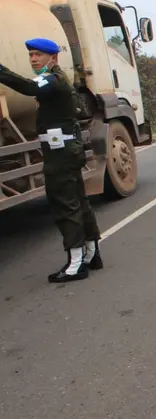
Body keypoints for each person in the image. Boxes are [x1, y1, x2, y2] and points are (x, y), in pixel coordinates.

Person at [0, 38, 103, 283]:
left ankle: (76, 263)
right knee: (79, 202)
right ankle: (91, 253)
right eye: (31, 55)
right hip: (65, 149)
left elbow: (28, 87)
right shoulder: (54, 80)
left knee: (64, 205)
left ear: (53, 58)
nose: (34, 59)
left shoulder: (53, 79)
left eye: (38, 55)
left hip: (60, 153)